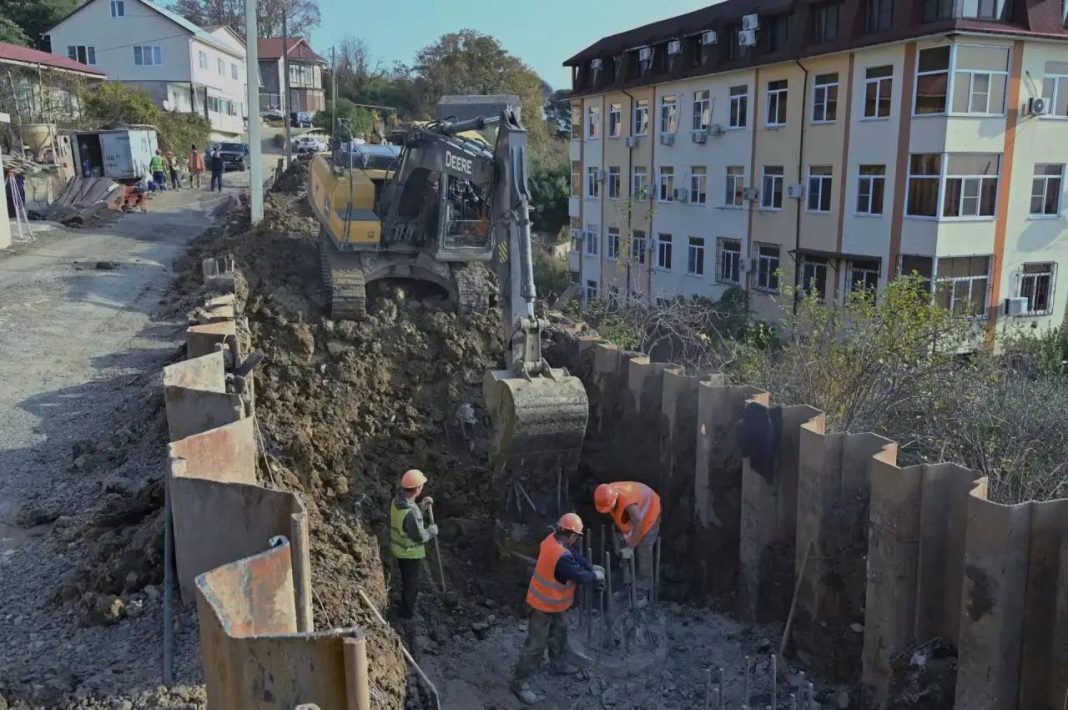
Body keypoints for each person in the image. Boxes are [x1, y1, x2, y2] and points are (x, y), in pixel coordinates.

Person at [511, 513, 603, 705]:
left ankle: (557, 665)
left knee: (559, 634)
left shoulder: (552, 540)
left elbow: (575, 556)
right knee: (535, 646)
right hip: (541, 607)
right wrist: (595, 576)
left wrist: (590, 565)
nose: (577, 539)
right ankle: (520, 683)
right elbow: (580, 576)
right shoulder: (560, 557)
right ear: (570, 535)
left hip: (554, 606)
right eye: (577, 535)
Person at [594, 482, 661, 607]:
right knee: (622, 544)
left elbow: (638, 523)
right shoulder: (606, 494)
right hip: (636, 511)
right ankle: (627, 585)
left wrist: (630, 547)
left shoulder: (627, 503)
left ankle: (642, 590)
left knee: (643, 549)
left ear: (614, 499)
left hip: (650, 509)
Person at [389, 469, 438, 630]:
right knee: (411, 585)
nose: (422, 488)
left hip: (399, 550)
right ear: (417, 489)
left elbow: (410, 517)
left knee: (406, 580)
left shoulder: (397, 501)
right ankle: (407, 614)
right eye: (421, 486)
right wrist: (432, 530)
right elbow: (420, 536)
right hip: (409, 554)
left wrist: (422, 506)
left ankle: (405, 606)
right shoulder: (411, 512)